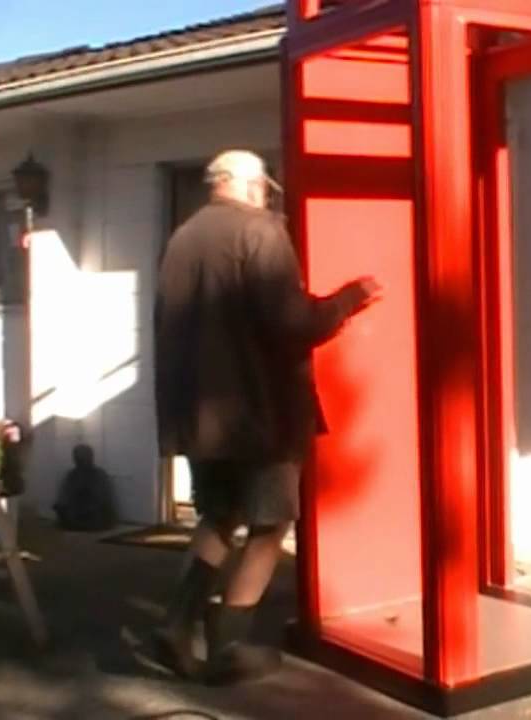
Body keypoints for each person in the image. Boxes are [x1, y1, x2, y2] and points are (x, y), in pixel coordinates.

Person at [152, 149, 379, 684]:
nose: (267, 197)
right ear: (248, 185)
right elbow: (293, 322)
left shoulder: (182, 239)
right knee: (270, 524)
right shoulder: (260, 232)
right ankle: (229, 645)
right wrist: (349, 300)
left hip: (200, 415)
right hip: (262, 412)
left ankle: (177, 624)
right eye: (265, 188)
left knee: (218, 515)